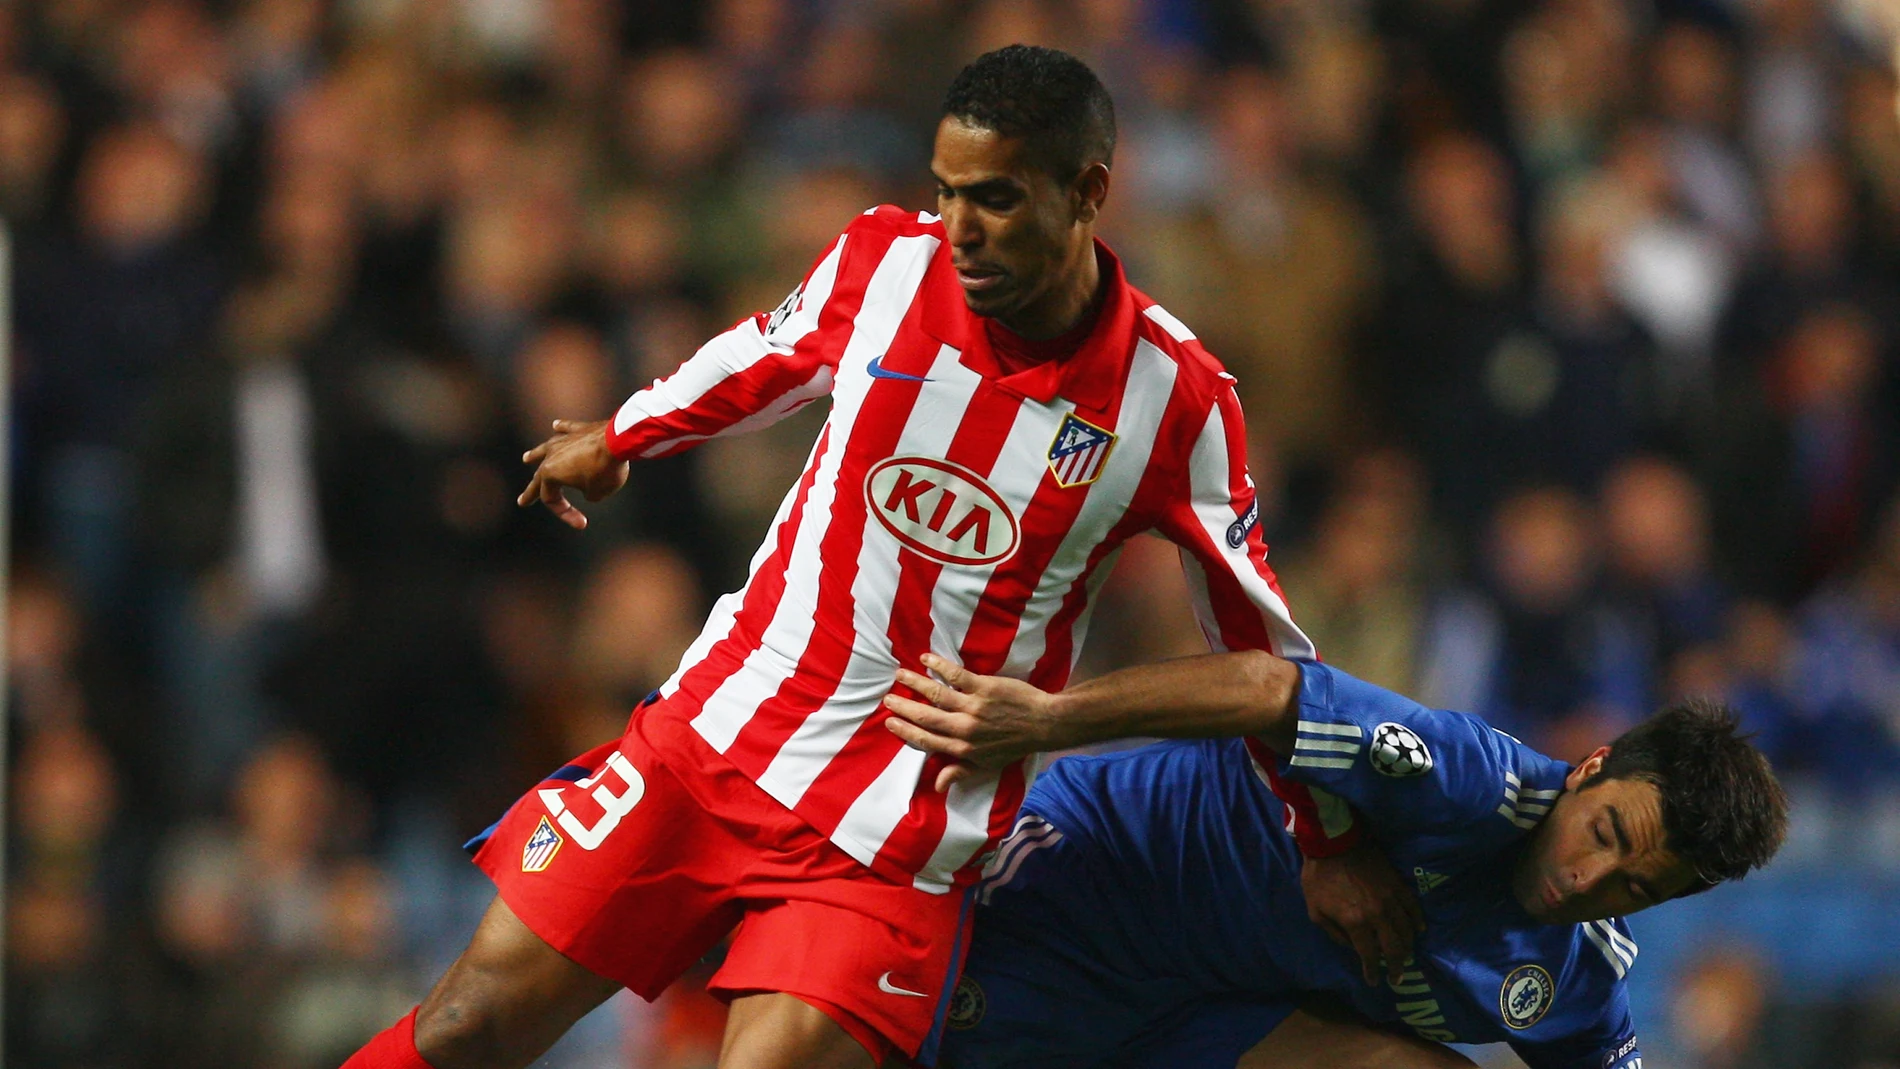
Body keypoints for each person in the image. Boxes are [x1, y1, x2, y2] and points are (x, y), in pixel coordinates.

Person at [342, 46, 1347, 1069]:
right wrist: (621, 435)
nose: (960, 231)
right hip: (714, 737)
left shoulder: (1176, 399)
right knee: (464, 1024)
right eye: (947, 193)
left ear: (1089, 190)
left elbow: (1266, 660)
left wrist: (1328, 842)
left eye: (996, 199)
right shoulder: (885, 262)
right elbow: (760, 350)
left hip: (892, 840)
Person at [878, 650, 1788, 1068]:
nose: (1586, 881)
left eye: (1635, 886)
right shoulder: (1467, 781)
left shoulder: (1581, 984)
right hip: (1097, 878)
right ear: (1592, 768)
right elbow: (1270, 686)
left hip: (1202, 1015)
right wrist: (1047, 719)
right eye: (1607, 834)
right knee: (852, 1022)